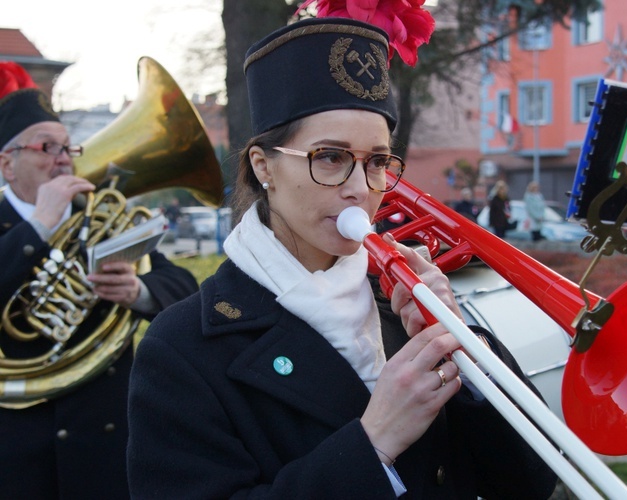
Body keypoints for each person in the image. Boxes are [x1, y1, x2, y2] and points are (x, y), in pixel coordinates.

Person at [127, 15, 557, 499]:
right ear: (264, 166)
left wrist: (462, 348)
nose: (360, 189)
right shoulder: (182, 346)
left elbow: (532, 481)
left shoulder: (400, 300)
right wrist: (372, 447)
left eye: (377, 161)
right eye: (330, 157)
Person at [0, 62, 199, 499]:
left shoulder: (100, 215)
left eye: (68, 149)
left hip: (104, 438)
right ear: (8, 164)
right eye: (46, 147)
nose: (63, 159)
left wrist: (140, 292)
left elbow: (186, 288)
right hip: (17, 445)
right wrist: (37, 228)